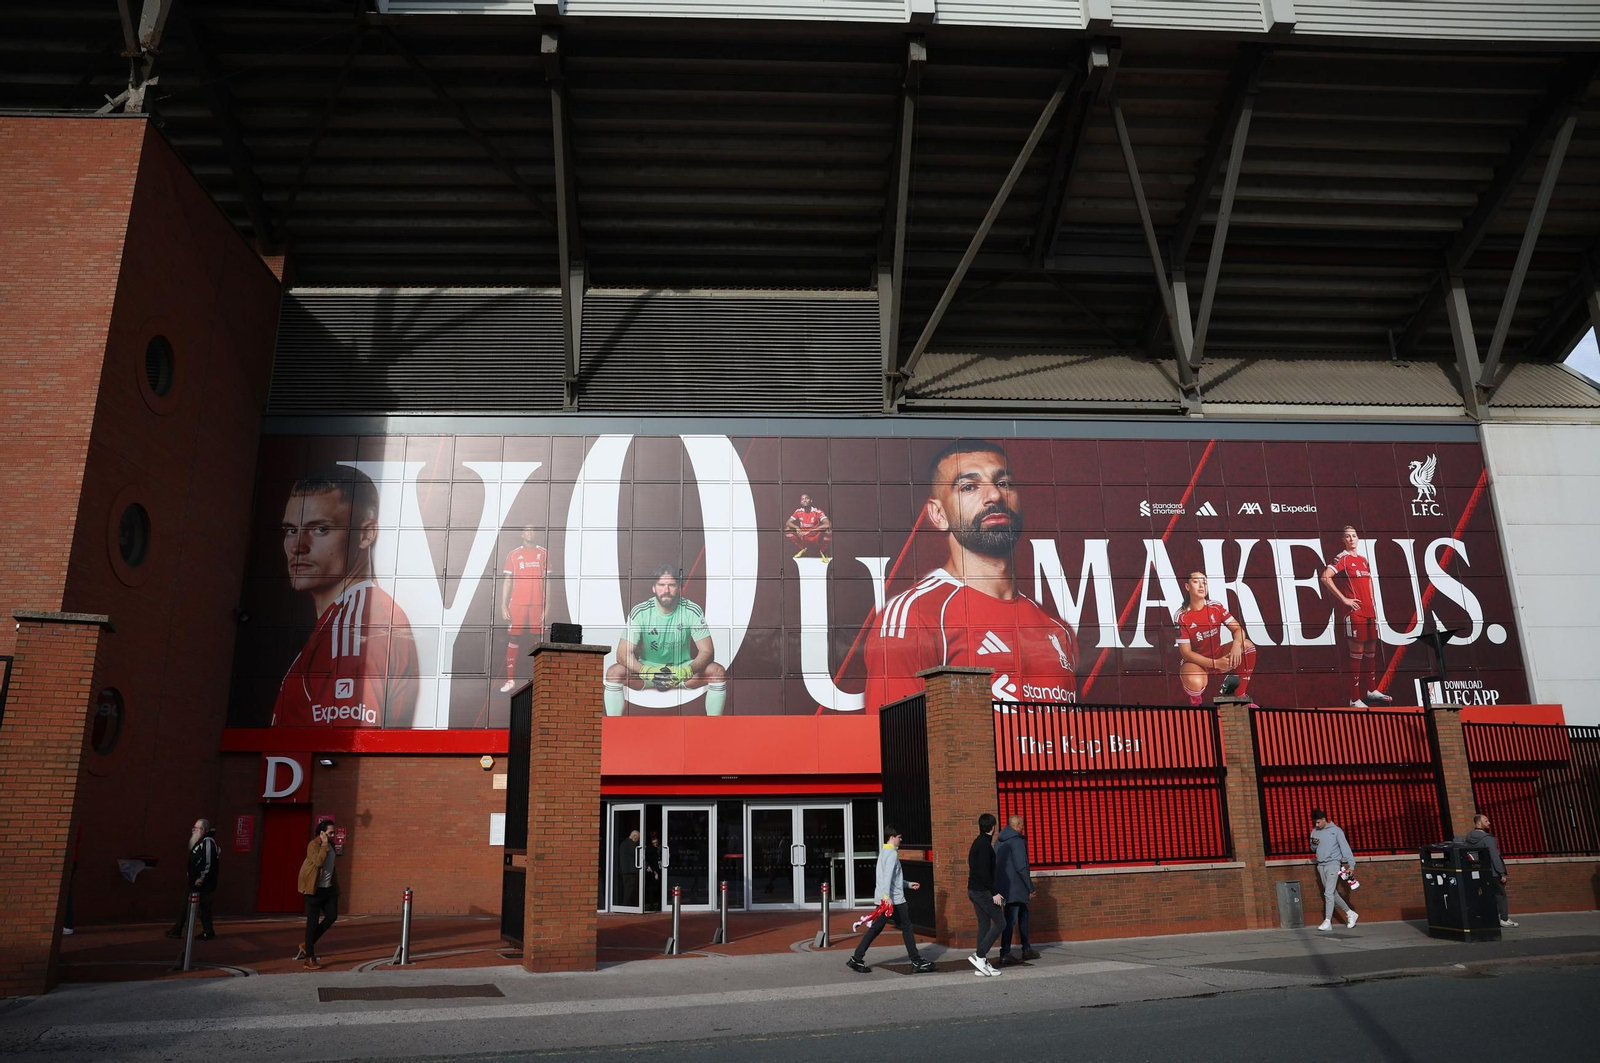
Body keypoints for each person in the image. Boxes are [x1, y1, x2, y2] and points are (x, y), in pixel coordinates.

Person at [864, 438, 1078, 711]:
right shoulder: (915, 617)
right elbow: (895, 742)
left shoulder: (1056, 629)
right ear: (938, 514)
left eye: (1004, 483)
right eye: (969, 487)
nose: (995, 496)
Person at [272, 465, 419, 728]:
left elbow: (347, 754)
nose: (297, 546)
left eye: (320, 529)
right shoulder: (350, 619)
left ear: (366, 534)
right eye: (291, 530)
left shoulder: (353, 626)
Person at [603, 564, 727, 717]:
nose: (666, 590)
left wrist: (687, 670)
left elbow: (707, 651)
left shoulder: (691, 610)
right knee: (614, 672)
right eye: (661, 585)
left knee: (717, 671)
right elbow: (622, 653)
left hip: (682, 670)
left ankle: (714, 730)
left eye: (671, 585)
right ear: (654, 588)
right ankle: (614, 731)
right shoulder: (641, 611)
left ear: (679, 587)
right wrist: (646, 671)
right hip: (648, 671)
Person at [1320, 526, 1392, 708]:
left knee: (1371, 650)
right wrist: (1344, 599)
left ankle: (1371, 690)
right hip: (1355, 613)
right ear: (1343, 540)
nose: (1351, 539)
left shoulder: (1363, 560)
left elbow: (1369, 582)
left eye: (1354, 535)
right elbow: (1325, 577)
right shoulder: (1342, 558)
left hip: (1369, 611)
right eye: (1347, 536)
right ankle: (1354, 698)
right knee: (1357, 653)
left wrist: (1373, 601)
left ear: (1358, 538)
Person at [845, 826, 933, 974]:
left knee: (877, 929)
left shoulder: (884, 852)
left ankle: (856, 958)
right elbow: (887, 878)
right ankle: (916, 961)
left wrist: (908, 884)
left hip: (886, 899)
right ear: (892, 837)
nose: (901, 839)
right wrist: (888, 898)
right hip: (894, 901)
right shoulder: (891, 854)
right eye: (899, 837)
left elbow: (891, 878)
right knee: (906, 928)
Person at [1174, 571, 1258, 708]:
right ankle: (1196, 699)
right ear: (1187, 587)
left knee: (1247, 646)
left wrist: (1237, 644)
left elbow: (1238, 630)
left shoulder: (1215, 606)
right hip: (1197, 663)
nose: (1201, 585)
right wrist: (1216, 663)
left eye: (1204, 582)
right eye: (1196, 582)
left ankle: (1241, 696)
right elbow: (1186, 653)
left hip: (1219, 655)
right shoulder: (1181, 616)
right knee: (1194, 680)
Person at [499, 525, 548, 693]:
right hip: (518, 602)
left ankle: (540, 679)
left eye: (533, 530)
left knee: (538, 638)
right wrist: (503, 604)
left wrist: (548, 605)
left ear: (536, 533)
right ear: (522, 534)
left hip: (537, 602)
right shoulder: (513, 555)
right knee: (514, 638)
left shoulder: (544, 553)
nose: (530, 532)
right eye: (527, 530)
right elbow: (507, 581)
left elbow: (549, 580)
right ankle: (510, 680)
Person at [163, 819, 220, 940]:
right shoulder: (201, 843)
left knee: (202, 906)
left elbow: (208, 862)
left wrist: (201, 878)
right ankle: (178, 929)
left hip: (202, 883)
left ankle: (205, 931)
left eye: (196, 827)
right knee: (193, 906)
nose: (193, 829)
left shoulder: (208, 842)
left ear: (203, 830)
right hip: (196, 882)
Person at [994, 814, 1039, 964]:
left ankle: (1026, 948)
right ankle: (1005, 952)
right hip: (1016, 887)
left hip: (1004, 886)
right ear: (1017, 825)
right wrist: (1030, 887)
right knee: (1011, 919)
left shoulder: (999, 841)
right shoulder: (1016, 841)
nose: (1023, 828)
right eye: (1022, 825)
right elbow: (1021, 866)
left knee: (1023, 914)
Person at [1461, 813, 1517, 928]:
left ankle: (1487, 917)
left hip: (1479, 872)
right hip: (1493, 872)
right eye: (1486, 821)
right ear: (1479, 823)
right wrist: (1501, 872)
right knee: (1500, 894)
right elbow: (1494, 856)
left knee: (1484, 895)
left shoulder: (1468, 838)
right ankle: (1504, 918)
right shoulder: (1488, 839)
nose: (1489, 823)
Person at [297, 818, 339, 970]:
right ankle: (309, 958)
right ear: (322, 833)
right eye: (330, 833)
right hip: (314, 889)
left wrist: (336, 887)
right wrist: (325, 843)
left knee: (332, 916)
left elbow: (331, 868)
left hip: (328, 888)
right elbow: (319, 861)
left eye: (334, 833)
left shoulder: (331, 845)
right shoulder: (313, 845)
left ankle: (307, 944)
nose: (333, 835)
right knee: (312, 922)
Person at [966, 813, 1004, 977]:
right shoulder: (983, 845)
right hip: (982, 891)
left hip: (976, 889)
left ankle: (981, 963)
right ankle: (979, 955)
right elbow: (983, 871)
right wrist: (994, 892)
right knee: (1001, 922)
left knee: (984, 924)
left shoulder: (979, 843)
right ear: (993, 827)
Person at [1310, 809, 1359, 931]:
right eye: (1315, 823)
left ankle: (1327, 921)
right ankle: (1350, 913)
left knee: (1328, 893)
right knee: (1332, 893)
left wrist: (1351, 866)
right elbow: (1313, 848)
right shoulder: (1314, 831)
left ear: (1324, 819)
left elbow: (1345, 848)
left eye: (1318, 822)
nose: (1317, 825)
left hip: (1333, 864)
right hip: (1321, 865)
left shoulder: (1336, 831)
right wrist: (1314, 844)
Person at [784, 493, 833, 561]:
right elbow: (788, 522)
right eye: (802, 499)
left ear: (811, 500)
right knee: (787, 529)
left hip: (815, 536)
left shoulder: (817, 511)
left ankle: (823, 551)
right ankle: (802, 548)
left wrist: (810, 531)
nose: (804, 500)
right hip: (803, 536)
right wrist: (797, 528)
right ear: (801, 502)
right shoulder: (798, 511)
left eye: (806, 498)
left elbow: (828, 524)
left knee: (829, 530)